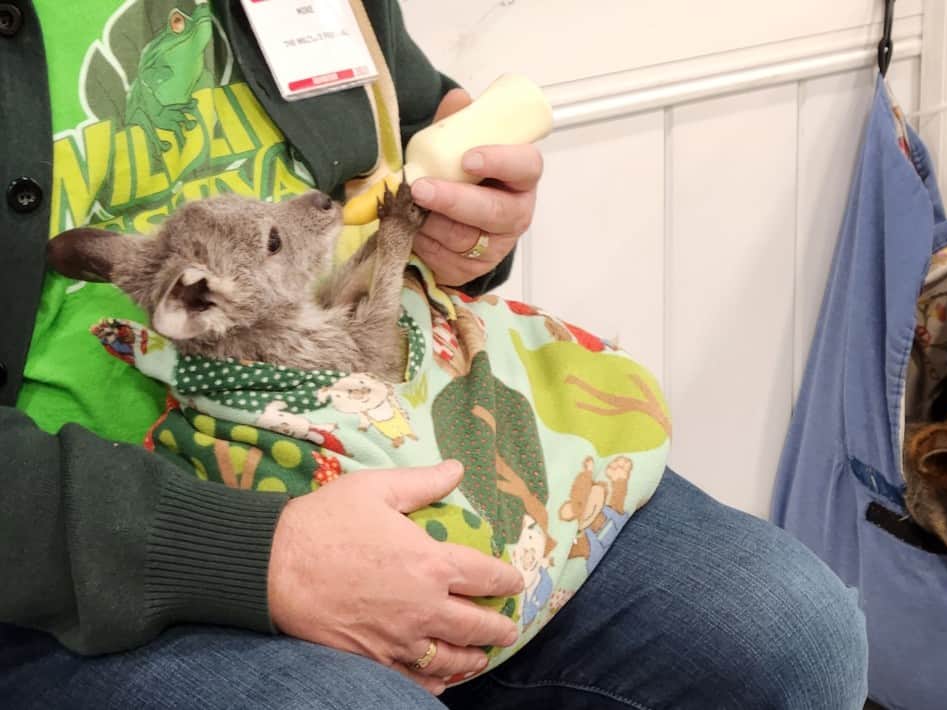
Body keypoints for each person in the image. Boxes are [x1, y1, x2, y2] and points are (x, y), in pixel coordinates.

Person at [0, 1, 868, 707]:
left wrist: (466, 220)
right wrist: (253, 555)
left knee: (795, 634)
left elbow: (402, 123)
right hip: (76, 543)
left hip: (391, 419)